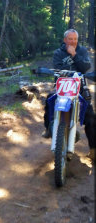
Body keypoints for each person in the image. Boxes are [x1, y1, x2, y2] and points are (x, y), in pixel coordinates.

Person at [42, 29, 95, 160]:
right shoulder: (58, 53)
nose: (73, 41)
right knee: (49, 101)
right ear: (65, 40)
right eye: (70, 39)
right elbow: (58, 68)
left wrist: (75, 55)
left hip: (79, 86)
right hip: (62, 86)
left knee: (91, 116)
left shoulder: (82, 51)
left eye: (75, 39)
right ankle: (49, 129)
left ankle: (93, 149)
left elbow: (85, 67)